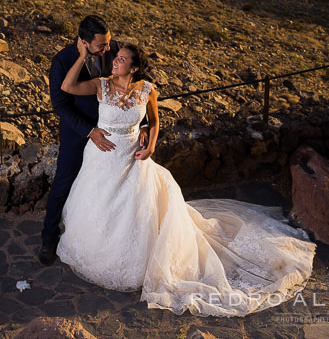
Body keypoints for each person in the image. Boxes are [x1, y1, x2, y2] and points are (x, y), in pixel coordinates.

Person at [56, 40, 315, 316]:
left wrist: (151, 144)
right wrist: (82, 57)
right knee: (100, 209)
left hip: (134, 158)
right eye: (116, 58)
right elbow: (67, 87)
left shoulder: (147, 90)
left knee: (135, 213)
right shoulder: (101, 84)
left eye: (122, 58)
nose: (116, 61)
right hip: (102, 159)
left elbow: (153, 122)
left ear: (135, 67)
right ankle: (100, 255)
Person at [40, 15, 126, 266]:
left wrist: (141, 125)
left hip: (113, 129)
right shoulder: (62, 61)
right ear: (83, 42)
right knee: (64, 181)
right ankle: (49, 237)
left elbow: (136, 83)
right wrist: (90, 131)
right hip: (78, 131)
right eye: (101, 45)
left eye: (108, 42)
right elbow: (60, 104)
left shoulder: (117, 49)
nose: (108, 48)